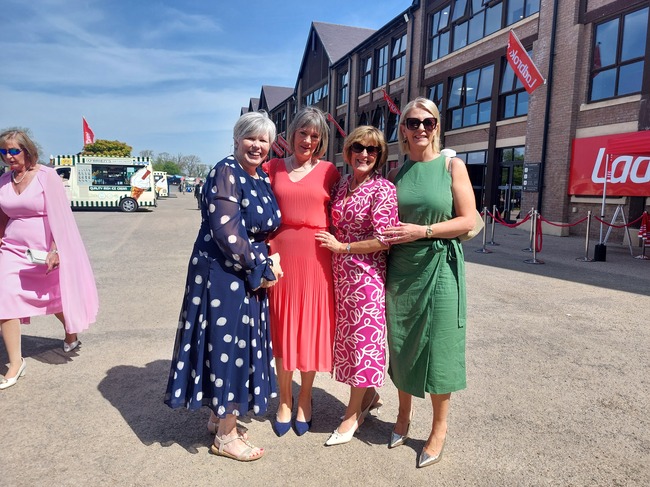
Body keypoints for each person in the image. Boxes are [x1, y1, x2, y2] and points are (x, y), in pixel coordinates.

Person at [164, 111, 283, 462]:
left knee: (233, 344)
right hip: (223, 274)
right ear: (236, 139)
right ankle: (226, 436)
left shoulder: (260, 175)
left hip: (244, 273)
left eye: (263, 140)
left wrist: (262, 263)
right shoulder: (226, 171)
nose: (257, 145)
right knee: (228, 347)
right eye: (250, 137)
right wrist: (260, 266)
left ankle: (219, 417)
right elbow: (226, 232)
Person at [383, 97, 476, 468]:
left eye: (428, 122)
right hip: (402, 270)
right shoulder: (397, 173)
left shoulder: (452, 166)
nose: (420, 128)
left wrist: (423, 230)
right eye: (413, 122)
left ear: (436, 126)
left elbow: (469, 220)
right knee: (402, 343)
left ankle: (439, 427)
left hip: (440, 265)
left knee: (440, 347)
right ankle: (403, 415)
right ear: (403, 130)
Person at [314, 126, 398, 445]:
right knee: (348, 341)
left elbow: (384, 239)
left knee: (362, 343)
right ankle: (370, 395)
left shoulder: (383, 189)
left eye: (372, 149)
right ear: (348, 151)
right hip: (340, 276)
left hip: (366, 277)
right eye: (358, 147)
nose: (364, 154)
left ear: (380, 155)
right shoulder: (342, 185)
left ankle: (352, 415)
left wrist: (343, 247)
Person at [0, 129, 98, 390]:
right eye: (3, 151)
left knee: (52, 298)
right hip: (12, 249)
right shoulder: (4, 180)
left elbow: (60, 216)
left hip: (44, 250)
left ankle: (71, 331)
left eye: (14, 151)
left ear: (27, 150)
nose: (8, 156)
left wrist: (57, 250)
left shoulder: (46, 176)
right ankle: (15, 363)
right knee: (4, 298)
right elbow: (3, 215)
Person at [263, 107, 340, 436]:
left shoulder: (329, 171)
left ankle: (305, 397)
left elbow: (341, 211)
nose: (308, 140)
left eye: (315, 136)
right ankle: (284, 398)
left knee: (309, 328)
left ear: (321, 141)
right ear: (292, 133)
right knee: (282, 328)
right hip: (280, 256)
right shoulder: (272, 167)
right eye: (303, 133)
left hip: (316, 258)